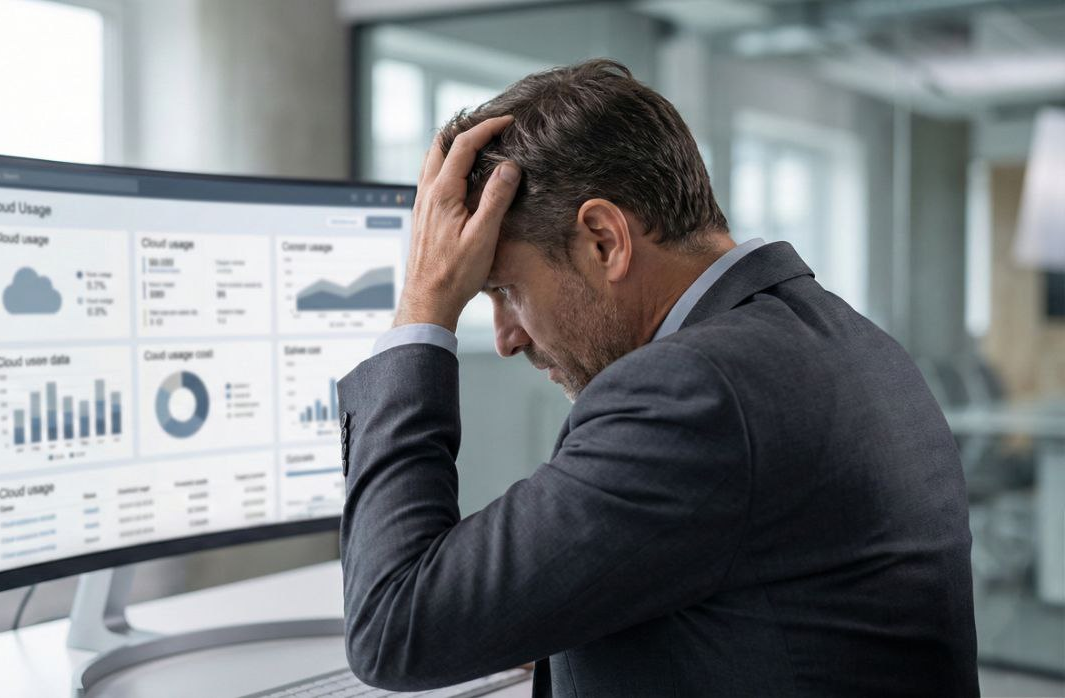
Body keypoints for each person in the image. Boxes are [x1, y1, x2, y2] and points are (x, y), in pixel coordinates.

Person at [335, 59, 977, 697]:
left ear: (604, 240)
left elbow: (394, 625)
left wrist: (423, 305)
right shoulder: (843, 338)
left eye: (504, 289)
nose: (506, 338)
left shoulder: (693, 392)